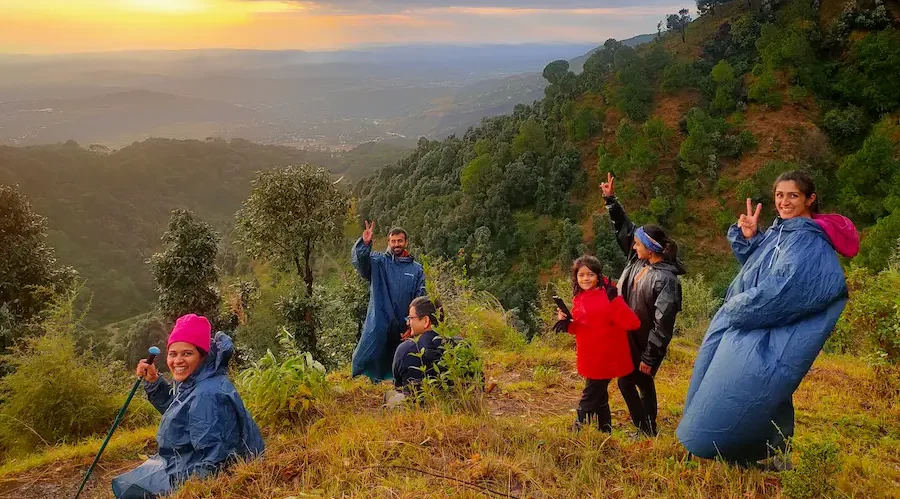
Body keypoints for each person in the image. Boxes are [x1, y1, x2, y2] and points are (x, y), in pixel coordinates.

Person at [676, 171, 857, 467]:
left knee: (759, 388)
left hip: (770, 334)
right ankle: (748, 450)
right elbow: (761, 269)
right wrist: (750, 239)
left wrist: (734, 308)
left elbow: (784, 290)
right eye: (779, 195)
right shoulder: (782, 231)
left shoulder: (807, 241)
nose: (784, 202)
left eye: (793, 195)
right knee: (757, 390)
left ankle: (768, 454)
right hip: (752, 327)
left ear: (810, 199)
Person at [112, 314, 264, 498]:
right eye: (173, 354)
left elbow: (214, 462)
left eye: (187, 353)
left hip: (197, 469)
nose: (177, 361)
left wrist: (187, 493)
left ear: (202, 356)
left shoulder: (208, 395)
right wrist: (154, 381)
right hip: (186, 458)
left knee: (133, 490)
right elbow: (180, 411)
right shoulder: (198, 380)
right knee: (130, 483)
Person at [601, 173, 684, 436]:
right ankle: (647, 428)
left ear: (651, 247)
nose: (633, 247)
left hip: (644, 343)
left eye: (638, 244)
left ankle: (646, 429)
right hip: (627, 338)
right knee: (635, 383)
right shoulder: (638, 260)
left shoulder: (666, 280)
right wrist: (611, 201)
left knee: (635, 383)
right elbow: (625, 230)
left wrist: (651, 355)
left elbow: (663, 323)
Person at [553, 255, 641, 432]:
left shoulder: (608, 295)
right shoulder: (580, 296)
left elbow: (633, 323)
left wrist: (615, 301)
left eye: (590, 274)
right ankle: (604, 431)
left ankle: (574, 433)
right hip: (589, 354)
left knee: (589, 398)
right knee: (599, 397)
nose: (586, 279)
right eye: (581, 275)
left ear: (598, 275)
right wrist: (566, 322)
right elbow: (582, 327)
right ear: (576, 277)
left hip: (606, 357)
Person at [352, 221, 427, 382]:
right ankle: (369, 380)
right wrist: (365, 243)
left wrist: (411, 324)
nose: (396, 244)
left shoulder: (416, 269)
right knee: (369, 353)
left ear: (406, 242)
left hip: (404, 322)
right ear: (388, 242)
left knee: (403, 355)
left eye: (400, 241)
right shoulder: (379, 262)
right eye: (393, 241)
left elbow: (420, 297)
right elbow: (361, 263)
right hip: (380, 319)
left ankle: (401, 382)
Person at [392, 296, 448, 390]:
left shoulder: (405, 350)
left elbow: (398, 385)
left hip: (415, 402)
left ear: (426, 321)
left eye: (410, 318)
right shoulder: (460, 344)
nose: (408, 323)